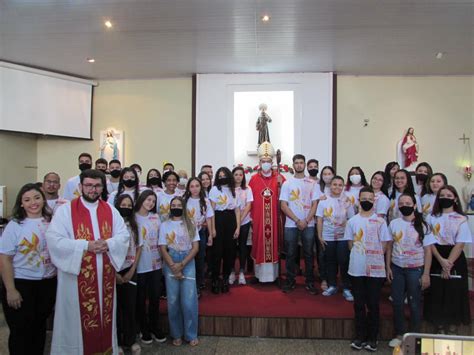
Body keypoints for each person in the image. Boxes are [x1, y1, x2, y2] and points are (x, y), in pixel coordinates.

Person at [46, 169, 130, 355]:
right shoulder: (66, 211)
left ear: (103, 187)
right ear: (80, 186)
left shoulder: (110, 210)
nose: (93, 190)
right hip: (75, 281)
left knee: (104, 320)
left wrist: (108, 244)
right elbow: (53, 239)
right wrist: (85, 245)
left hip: (105, 280)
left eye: (97, 186)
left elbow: (123, 236)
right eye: (89, 185)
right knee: (75, 323)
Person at [0, 184, 57, 355]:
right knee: (21, 333)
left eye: (37, 198)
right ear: (21, 203)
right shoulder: (15, 225)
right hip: (21, 284)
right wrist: (10, 289)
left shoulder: (52, 221)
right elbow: (5, 258)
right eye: (27, 199)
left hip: (47, 284)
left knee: (39, 330)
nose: (33, 202)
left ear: (43, 199)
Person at [345, 187, 391, 352]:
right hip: (357, 268)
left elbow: (385, 243)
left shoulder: (380, 221)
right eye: (363, 198)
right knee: (358, 304)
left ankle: (373, 337)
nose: (367, 201)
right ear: (358, 200)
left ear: (374, 201)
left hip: (376, 269)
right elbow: (350, 244)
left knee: (373, 303)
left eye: (370, 199)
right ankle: (360, 336)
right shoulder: (352, 221)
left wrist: (374, 257)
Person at [386, 193, 433, 348]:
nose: (404, 205)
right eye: (401, 203)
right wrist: (388, 267)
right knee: (397, 302)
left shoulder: (424, 225)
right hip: (397, 268)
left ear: (414, 205)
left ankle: (414, 336)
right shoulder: (394, 223)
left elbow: (428, 251)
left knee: (414, 303)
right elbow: (390, 246)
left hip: (416, 269)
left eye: (408, 202)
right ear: (398, 206)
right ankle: (400, 334)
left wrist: (426, 273)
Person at [424, 185, 472, 334]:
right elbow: (429, 242)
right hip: (435, 255)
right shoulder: (431, 217)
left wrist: (448, 264)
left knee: (454, 293)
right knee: (437, 294)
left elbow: (460, 244)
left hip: (454, 257)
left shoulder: (462, 218)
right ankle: (439, 328)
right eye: (442, 195)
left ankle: (452, 328)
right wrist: (441, 261)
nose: (445, 198)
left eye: (449, 195)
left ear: (455, 198)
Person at [159, 196, 200, 347]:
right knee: (173, 300)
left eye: (179, 205)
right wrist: (173, 265)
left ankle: (191, 334)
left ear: (183, 207)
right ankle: (176, 334)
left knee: (189, 301)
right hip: (170, 259)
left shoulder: (190, 224)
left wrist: (182, 264)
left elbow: (196, 248)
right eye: (173, 205)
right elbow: (162, 247)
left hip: (187, 261)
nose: (176, 207)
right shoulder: (164, 225)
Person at [280, 154, 319, 294]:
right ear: (293, 165)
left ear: (305, 165)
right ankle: (290, 281)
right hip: (291, 224)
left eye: (301, 163)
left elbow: (315, 204)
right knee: (290, 254)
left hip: (308, 224)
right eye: (296, 163)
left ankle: (309, 282)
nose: (299, 165)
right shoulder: (287, 183)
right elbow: (283, 205)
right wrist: (297, 220)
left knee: (309, 254)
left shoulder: (312, 183)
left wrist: (306, 220)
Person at [248, 141, 284, 283]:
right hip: (259, 219)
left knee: (274, 243)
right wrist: (251, 217)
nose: (266, 163)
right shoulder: (253, 179)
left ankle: (274, 276)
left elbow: (285, 200)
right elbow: (249, 201)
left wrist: (281, 185)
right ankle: (259, 275)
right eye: (264, 161)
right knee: (260, 243)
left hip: (274, 219)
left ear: (272, 162)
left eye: (269, 161)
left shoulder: (280, 178)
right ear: (260, 162)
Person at [134, 190, 166, 344]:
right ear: (141, 200)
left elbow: (161, 239)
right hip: (139, 265)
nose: (150, 203)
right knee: (140, 299)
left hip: (155, 264)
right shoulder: (133, 218)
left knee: (154, 298)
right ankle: (143, 328)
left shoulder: (156, 217)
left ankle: (155, 326)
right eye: (148, 200)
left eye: (153, 201)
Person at [316, 176, 355, 300]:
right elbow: (319, 219)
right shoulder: (323, 200)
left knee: (344, 261)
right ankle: (332, 285)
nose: (337, 187)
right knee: (330, 261)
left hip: (343, 236)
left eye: (340, 185)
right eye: (335, 184)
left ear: (343, 187)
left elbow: (352, 219)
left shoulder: (347, 201)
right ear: (330, 186)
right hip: (328, 236)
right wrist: (320, 236)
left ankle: (346, 288)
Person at [114, 195, 142, 355]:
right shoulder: (111, 224)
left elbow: (139, 248)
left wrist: (132, 270)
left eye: (128, 205)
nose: (125, 207)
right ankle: (116, 341)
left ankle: (130, 341)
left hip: (130, 269)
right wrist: (115, 273)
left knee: (130, 307)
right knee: (116, 308)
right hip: (114, 270)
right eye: (122, 204)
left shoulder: (134, 225)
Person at [209, 167, 240, 293]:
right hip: (218, 219)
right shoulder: (215, 189)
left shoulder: (233, 191)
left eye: (224, 175)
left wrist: (238, 227)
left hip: (231, 220)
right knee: (217, 252)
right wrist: (213, 228)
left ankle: (226, 278)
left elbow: (237, 210)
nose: (222, 178)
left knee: (230, 252)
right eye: (220, 176)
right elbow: (211, 210)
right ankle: (215, 279)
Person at [184, 177, 214, 293]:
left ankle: (199, 282)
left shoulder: (205, 201)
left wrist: (211, 235)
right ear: (188, 188)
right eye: (192, 186)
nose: (195, 189)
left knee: (200, 258)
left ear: (200, 187)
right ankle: (189, 281)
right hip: (187, 234)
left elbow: (209, 218)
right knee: (188, 257)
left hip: (200, 232)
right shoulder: (184, 200)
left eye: (197, 186)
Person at [230, 166, 254, 285]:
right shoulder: (229, 189)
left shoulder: (247, 189)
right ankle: (232, 271)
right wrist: (235, 221)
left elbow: (249, 205)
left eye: (240, 174)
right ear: (232, 176)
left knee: (243, 246)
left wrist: (240, 219)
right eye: (236, 174)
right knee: (232, 247)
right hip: (231, 223)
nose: (238, 176)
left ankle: (242, 272)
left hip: (244, 221)